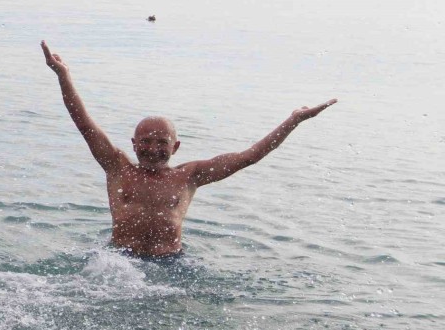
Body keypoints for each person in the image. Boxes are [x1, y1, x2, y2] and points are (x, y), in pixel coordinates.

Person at [40, 40, 337, 258]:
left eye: (161, 142)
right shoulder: (117, 167)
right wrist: (63, 76)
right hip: (120, 261)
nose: (152, 149)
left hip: (171, 263)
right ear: (134, 144)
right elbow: (84, 124)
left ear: (176, 147)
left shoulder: (189, 176)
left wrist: (294, 120)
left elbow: (250, 156)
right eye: (145, 141)